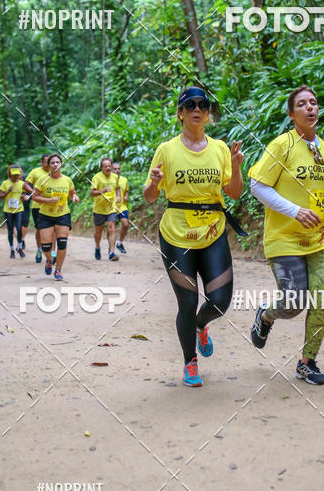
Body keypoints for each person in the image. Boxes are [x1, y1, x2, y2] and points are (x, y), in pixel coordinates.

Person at [249, 85, 324, 386]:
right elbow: (257, 185)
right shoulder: (281, 145)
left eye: (313, 103)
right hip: (284, 239)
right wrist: (295, 210)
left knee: (321, 300)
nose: (310, 108)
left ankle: (307, 362)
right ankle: (266, 315)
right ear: (291, 113)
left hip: (321, 237)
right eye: (302, 104)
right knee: (295, 301)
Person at [143, 86, 244, 387]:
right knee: (186, 304)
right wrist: (153, 182)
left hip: (213, 232)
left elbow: (234, 193)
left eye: (203, 104)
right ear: (181, 113)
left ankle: (201, 326)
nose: (197, 109)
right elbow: (149, 197)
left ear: (208, 112)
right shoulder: (167, 149)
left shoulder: (220, 149)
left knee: (220, 301)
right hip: (176, 236)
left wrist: (236, 168)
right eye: (190, 105)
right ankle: (190, 362)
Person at [30, 153, 79, 281]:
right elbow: (34, 196)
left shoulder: (67, 180)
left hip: (63, 215)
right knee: (46, 246)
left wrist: (74, 197)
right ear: (48, 165)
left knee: (62, 243)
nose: (55, 164)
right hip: (45, 215)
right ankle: (51, 259)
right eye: (52, 163)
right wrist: (48, 200)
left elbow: (72, 193)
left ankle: (58, 270)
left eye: (57, 162)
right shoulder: (43, 180)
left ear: (61, 164)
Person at [23, 154, 55, 263]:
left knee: (54, 230)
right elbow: (25, 185)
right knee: (40, 229)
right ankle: (39, 249)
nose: (47, 164)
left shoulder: (55, 172)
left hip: (53, 206)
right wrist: (33, 193)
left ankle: (53, 252)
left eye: (49, 161)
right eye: (46, 161)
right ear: (41, 162)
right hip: (38, 206)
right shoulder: (35, 172)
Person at [90, 157, 121, 262]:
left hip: (111, 208)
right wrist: (102, 190)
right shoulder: (97, 178)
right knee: (98, 231)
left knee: (111, 229)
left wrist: (118, 197)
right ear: (102, 167)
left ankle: (112, 252)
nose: (108, 168)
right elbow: (92, 193)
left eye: (109, 166)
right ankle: (97, 247)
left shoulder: (115, 177)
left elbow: (117, 188)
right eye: (106, 166)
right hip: (99, 209)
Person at [0, 165, 26, 259]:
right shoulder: (5, 183)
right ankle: (12, 249)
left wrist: (23, 196)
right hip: (8, 210)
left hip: (19, 209)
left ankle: (19, 247)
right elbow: (1, 197)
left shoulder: (22, 183)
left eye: (17, 175)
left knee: (19, 228)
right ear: (10, 174)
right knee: (10, 230)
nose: (15, 176)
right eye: (13, 175)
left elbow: (24, 194)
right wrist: (8, 191)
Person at [112, 161, 129, 253]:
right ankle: (111, 249)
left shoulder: (124, 180)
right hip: (111, 207)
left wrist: (126, 196)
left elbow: (126, 190)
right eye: (115, 169)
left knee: (125, 224)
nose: (117, 170)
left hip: (122, 206)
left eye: (118, 169)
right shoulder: (107, 181)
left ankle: (119, 243)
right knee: (112, 229)